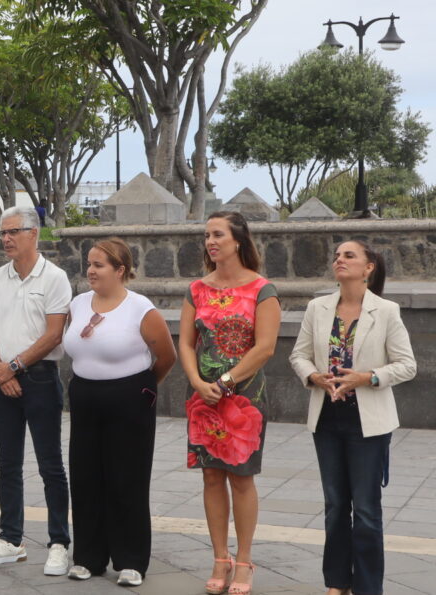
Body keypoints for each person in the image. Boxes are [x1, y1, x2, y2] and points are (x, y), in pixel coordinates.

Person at [289, 241, 415, 595]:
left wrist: (367, 377)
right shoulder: (318, 307)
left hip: (368, 423)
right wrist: (314, 376)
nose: (339, 260)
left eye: (349, 255)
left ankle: (368, 588)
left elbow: (407, 365)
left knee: (366, 511)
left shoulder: (386, 310)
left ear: (369, 267)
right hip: (327, 419)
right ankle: (338, 582)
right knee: (334, 506)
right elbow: (298, 356)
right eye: (337, 256)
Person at [61, 238, 176, 586]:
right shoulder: (78, 303)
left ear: (120, 270)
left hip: (129, 398)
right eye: (89, 264)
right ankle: (88, 557)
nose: (90, 270)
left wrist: (138, 390)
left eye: (98, 265)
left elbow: (166, 356)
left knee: (126, 478)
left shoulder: (140, 309)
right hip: (85, 395)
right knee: (85, 476)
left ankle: (131, 560)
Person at [179, 210, 280, 595]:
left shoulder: (261, 289)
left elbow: (265, 347)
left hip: (244, 398)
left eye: (218, 234)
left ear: (238, 241)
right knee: (210, 476)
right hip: (202, 397)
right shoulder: (197, 289)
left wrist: (224, 381)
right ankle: (219, 557)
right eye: (207, 235)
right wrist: (195, 381)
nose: (210, 241)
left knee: (241, 478)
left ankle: (244, 560)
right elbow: (186, 342)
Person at [0, 207, 71, 576]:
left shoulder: (55, 277)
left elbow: (53, 334)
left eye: (13, 231)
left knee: (51, 465)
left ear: (34, 233)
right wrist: (0, 372)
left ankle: (59, 542)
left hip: (40, 379)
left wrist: (13, 366)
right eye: (2, 233)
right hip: (1, 379)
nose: (6, 239)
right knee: (7, 464)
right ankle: (11, 539)